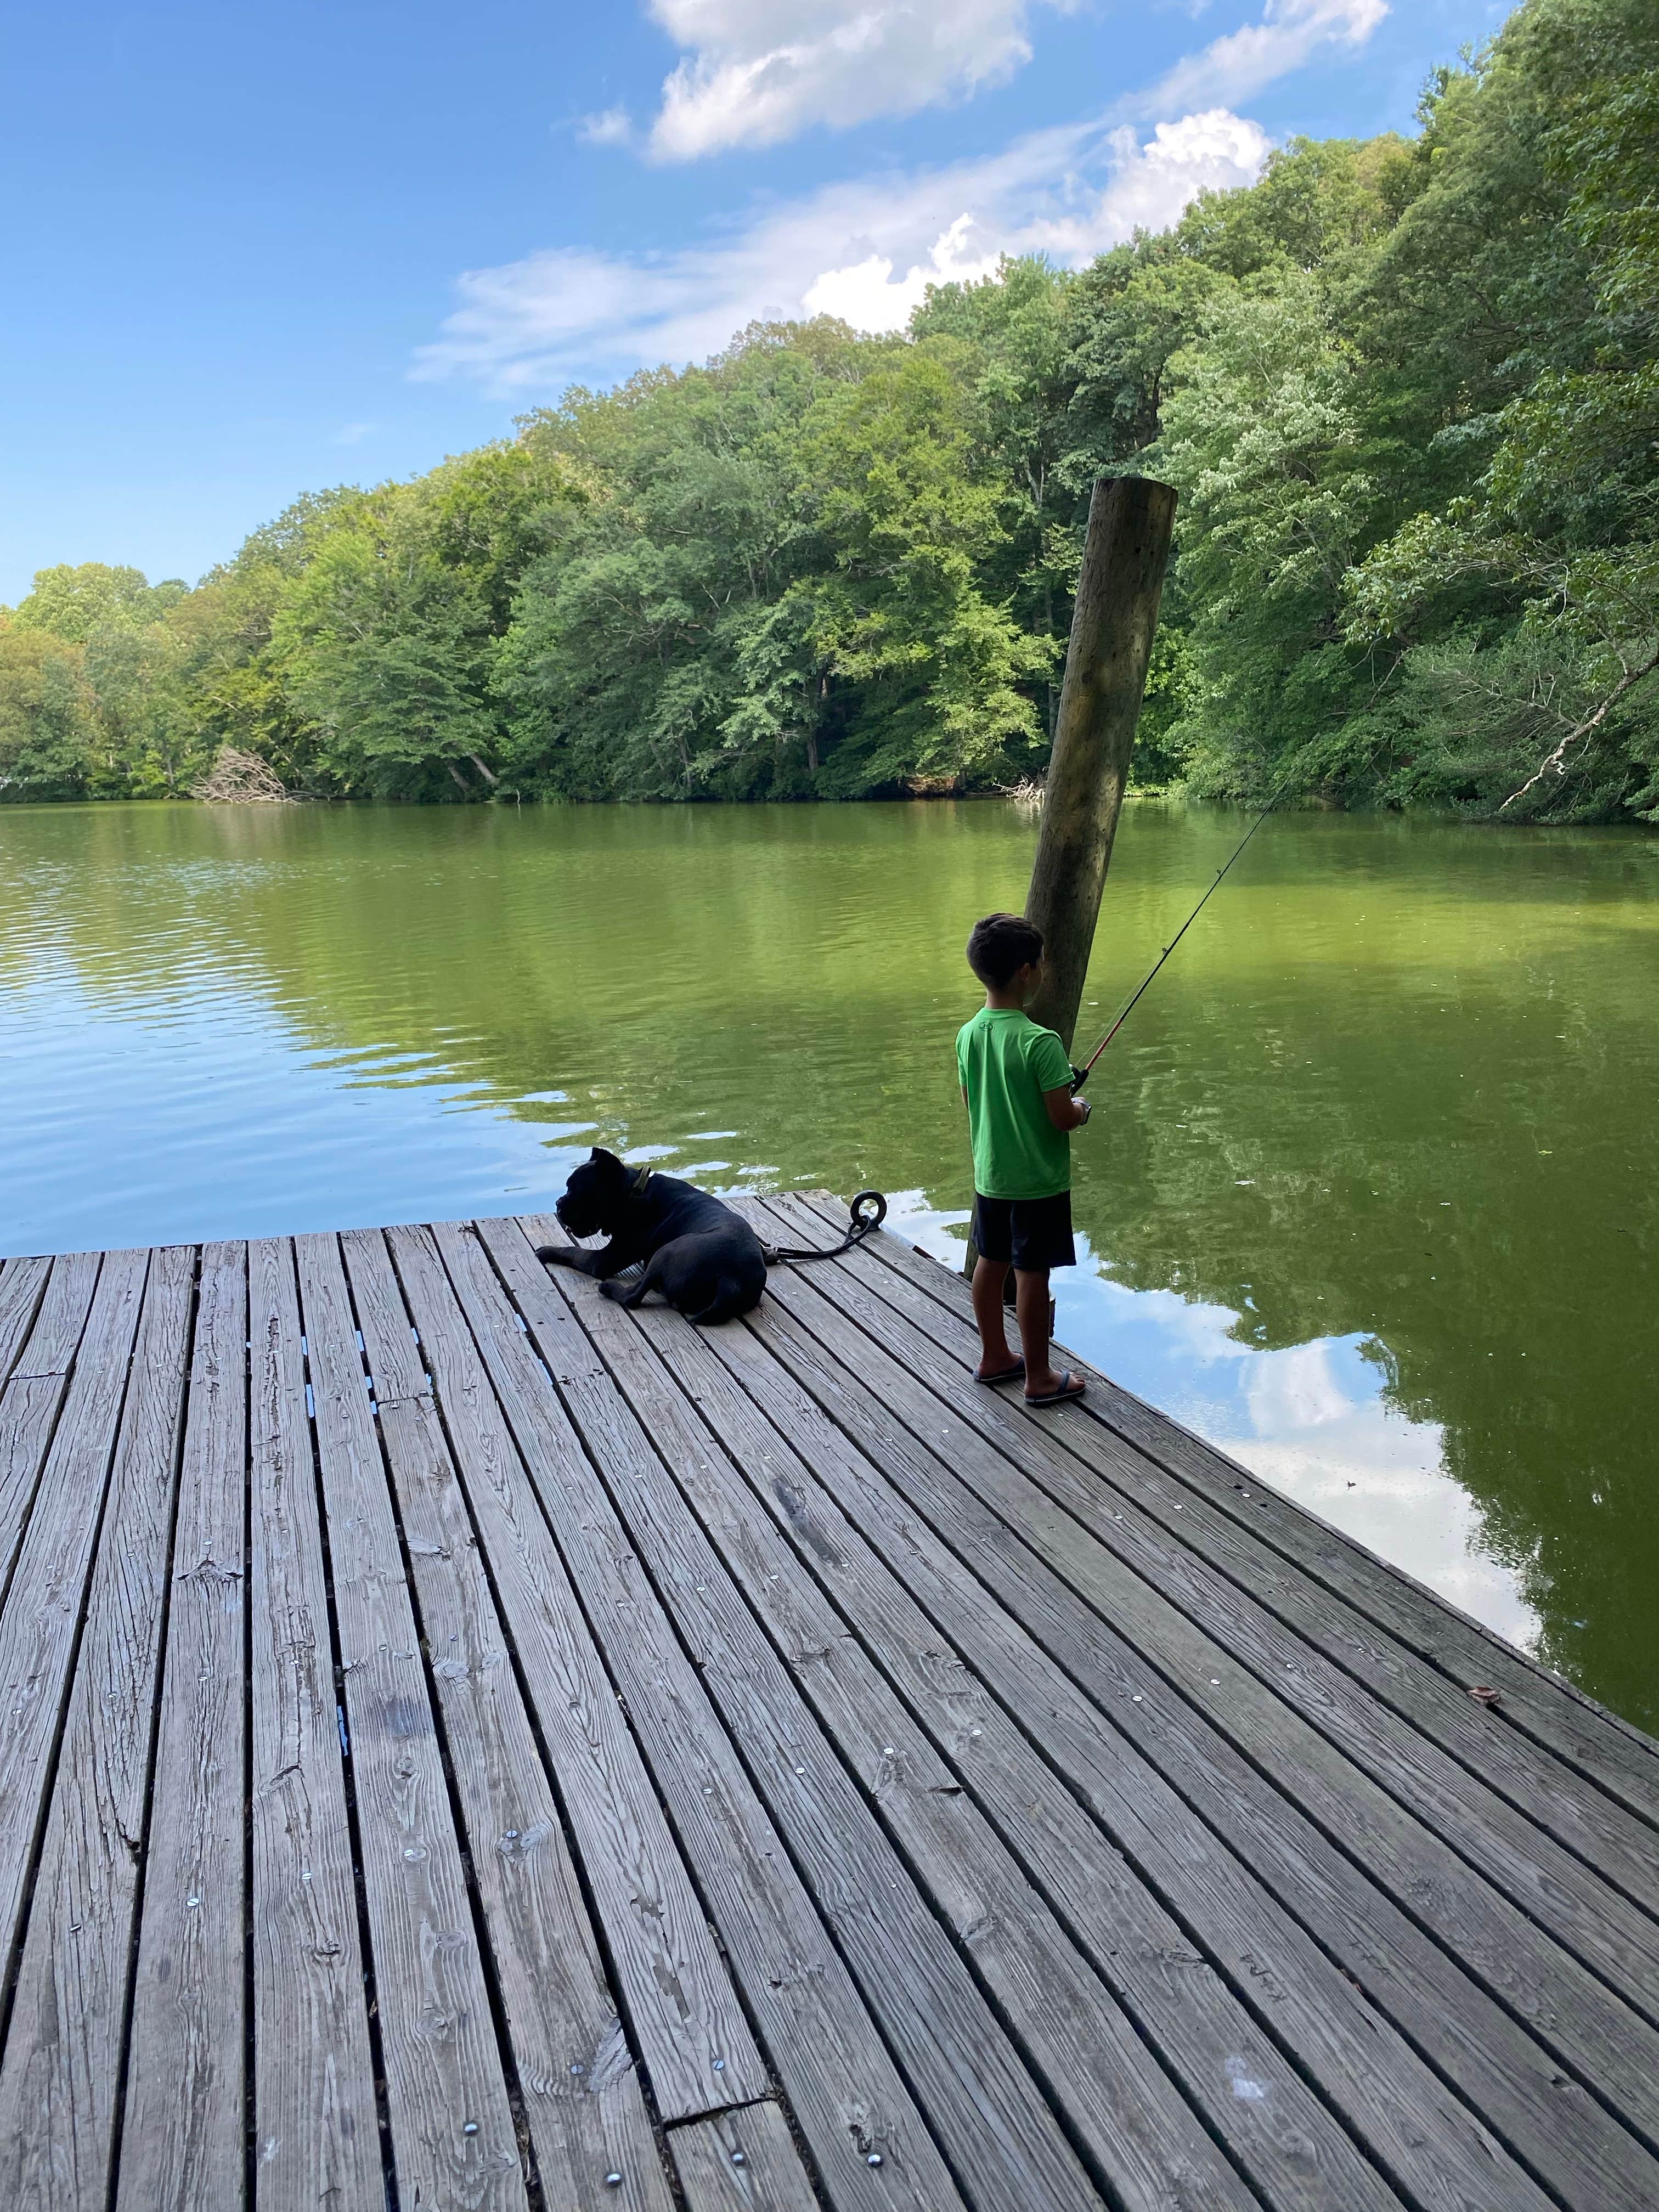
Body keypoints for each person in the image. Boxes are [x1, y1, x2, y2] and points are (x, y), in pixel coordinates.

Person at [956, 912, 1091, 1406]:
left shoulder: (968, 1034)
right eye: (1041, 964)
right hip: (1038, 1182)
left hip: (991, 1176)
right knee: (1033, 1273)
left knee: (991, 1263)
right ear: (1026, 973)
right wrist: (1082, 1108)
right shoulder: (1042, 1042)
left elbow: (975, 1104)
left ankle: (994, 1356)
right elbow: (1062, 1118)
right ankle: (1038, 1377)